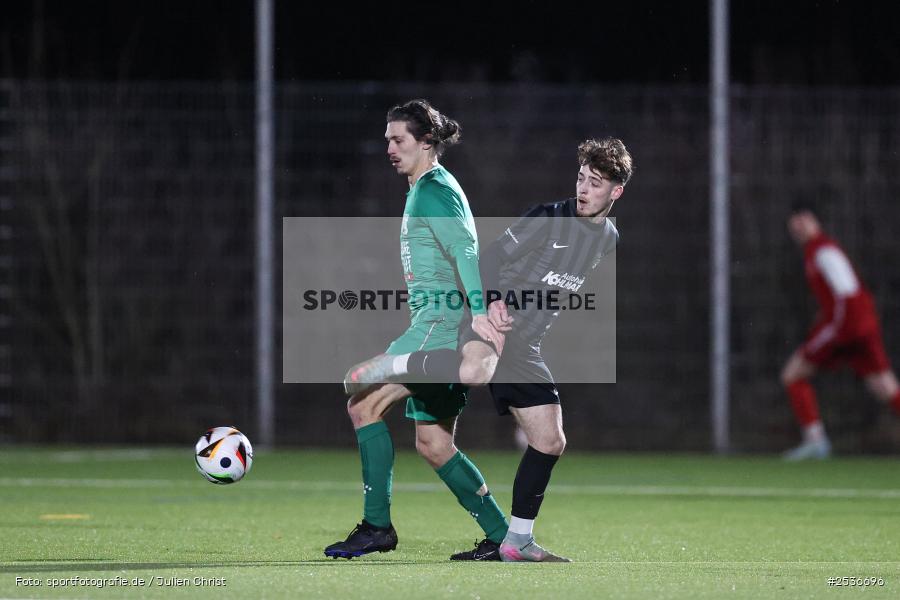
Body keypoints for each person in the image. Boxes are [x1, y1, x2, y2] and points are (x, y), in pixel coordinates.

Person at [346, 138, 633, 561]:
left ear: (616, 192)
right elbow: (489, 259)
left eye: (595, 183)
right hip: (492, 326)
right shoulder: (548, 218)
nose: (584, 189)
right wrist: (493, 303)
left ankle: (516, 542)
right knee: (474, 371)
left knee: (550, 440)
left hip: (526, 347)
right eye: (581, 178)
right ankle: (396, 363)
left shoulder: (607, 237)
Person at [324, 99, 509, 560]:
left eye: (398, 139)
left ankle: (376, 527)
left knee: (360, 397)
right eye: (387, 140)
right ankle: (505, 538)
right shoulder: (429, 187)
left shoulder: (432, 190)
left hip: (436, 331)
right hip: (440, 327)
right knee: (434, 443)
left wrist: (480, 311)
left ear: (426, 141)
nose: (389, 148)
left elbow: (466, 251)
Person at [781, 203, 900, 460]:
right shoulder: (815, 252)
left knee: (793, 374)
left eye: (803, 219)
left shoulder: (823, 250)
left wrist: (835, 326)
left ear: (815, 221)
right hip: (859, 325)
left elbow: (847, 293)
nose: (798, 226)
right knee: (884, 386)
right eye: (794, 221)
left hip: (848, 326)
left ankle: (816, 441)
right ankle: (815, 442)